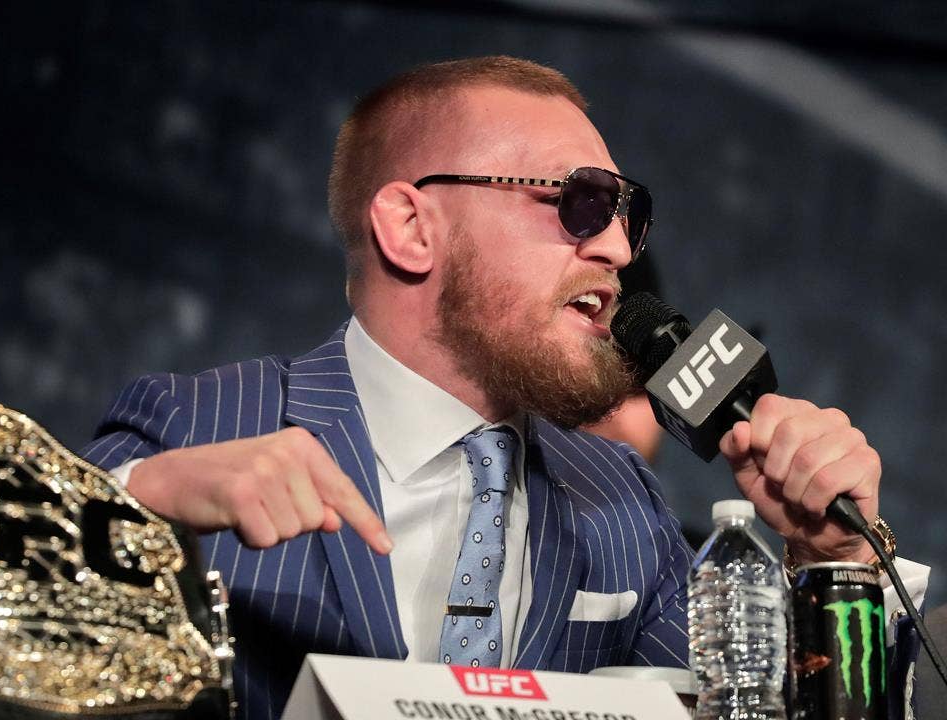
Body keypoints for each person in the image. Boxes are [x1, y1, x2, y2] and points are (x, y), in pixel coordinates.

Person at [81, 56, 905, 719]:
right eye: (580, 202)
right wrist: (138, 503)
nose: (619, 248)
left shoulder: (621, 500)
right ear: (411, 228)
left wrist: (833, 564)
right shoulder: (195, 425)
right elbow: (19, 630)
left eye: (629, 212)